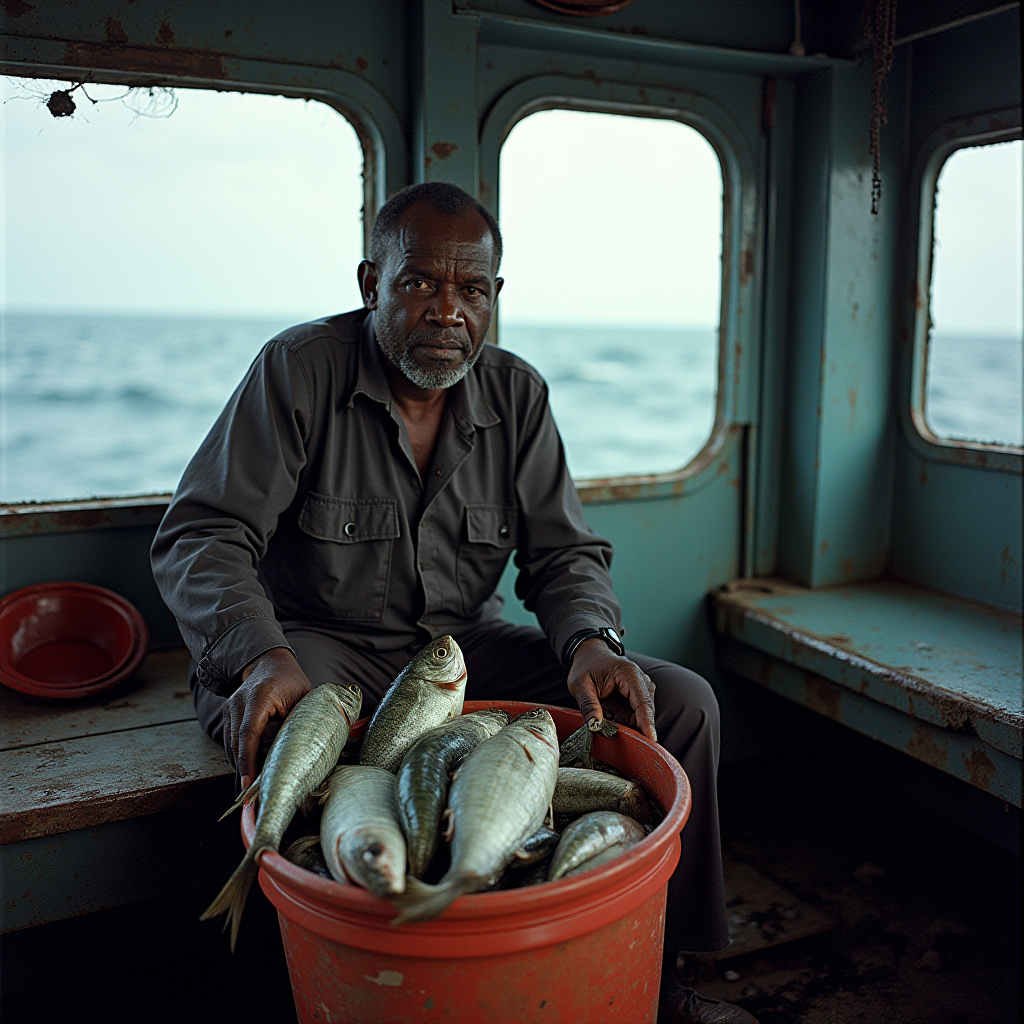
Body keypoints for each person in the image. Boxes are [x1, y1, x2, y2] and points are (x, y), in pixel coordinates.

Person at [151, 181, 756, 1024]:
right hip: (319, 650)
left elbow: (564, 553)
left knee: (682, 703)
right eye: (419, 284)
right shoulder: (299, 369)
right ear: (372, 284)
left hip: (460, 649)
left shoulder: (518, 395)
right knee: (297, 737)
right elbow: (203, 536)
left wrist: (592, 640)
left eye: (471, 290)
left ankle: (656, 972)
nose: (447, 311)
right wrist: (259, 655)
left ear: (495, 298)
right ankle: (338, 977)